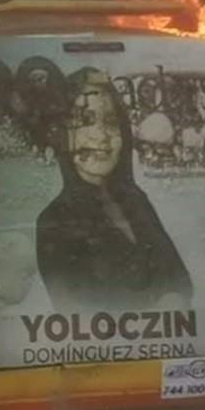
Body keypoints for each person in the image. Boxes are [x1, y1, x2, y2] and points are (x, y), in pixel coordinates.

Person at [36, 67, 192, 309]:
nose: (102, 136)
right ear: (63, 135)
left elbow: (180, 280)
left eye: (111, 122)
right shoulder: (53, 220)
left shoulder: (136, 199)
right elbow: (78, 314)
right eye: (85, 121)